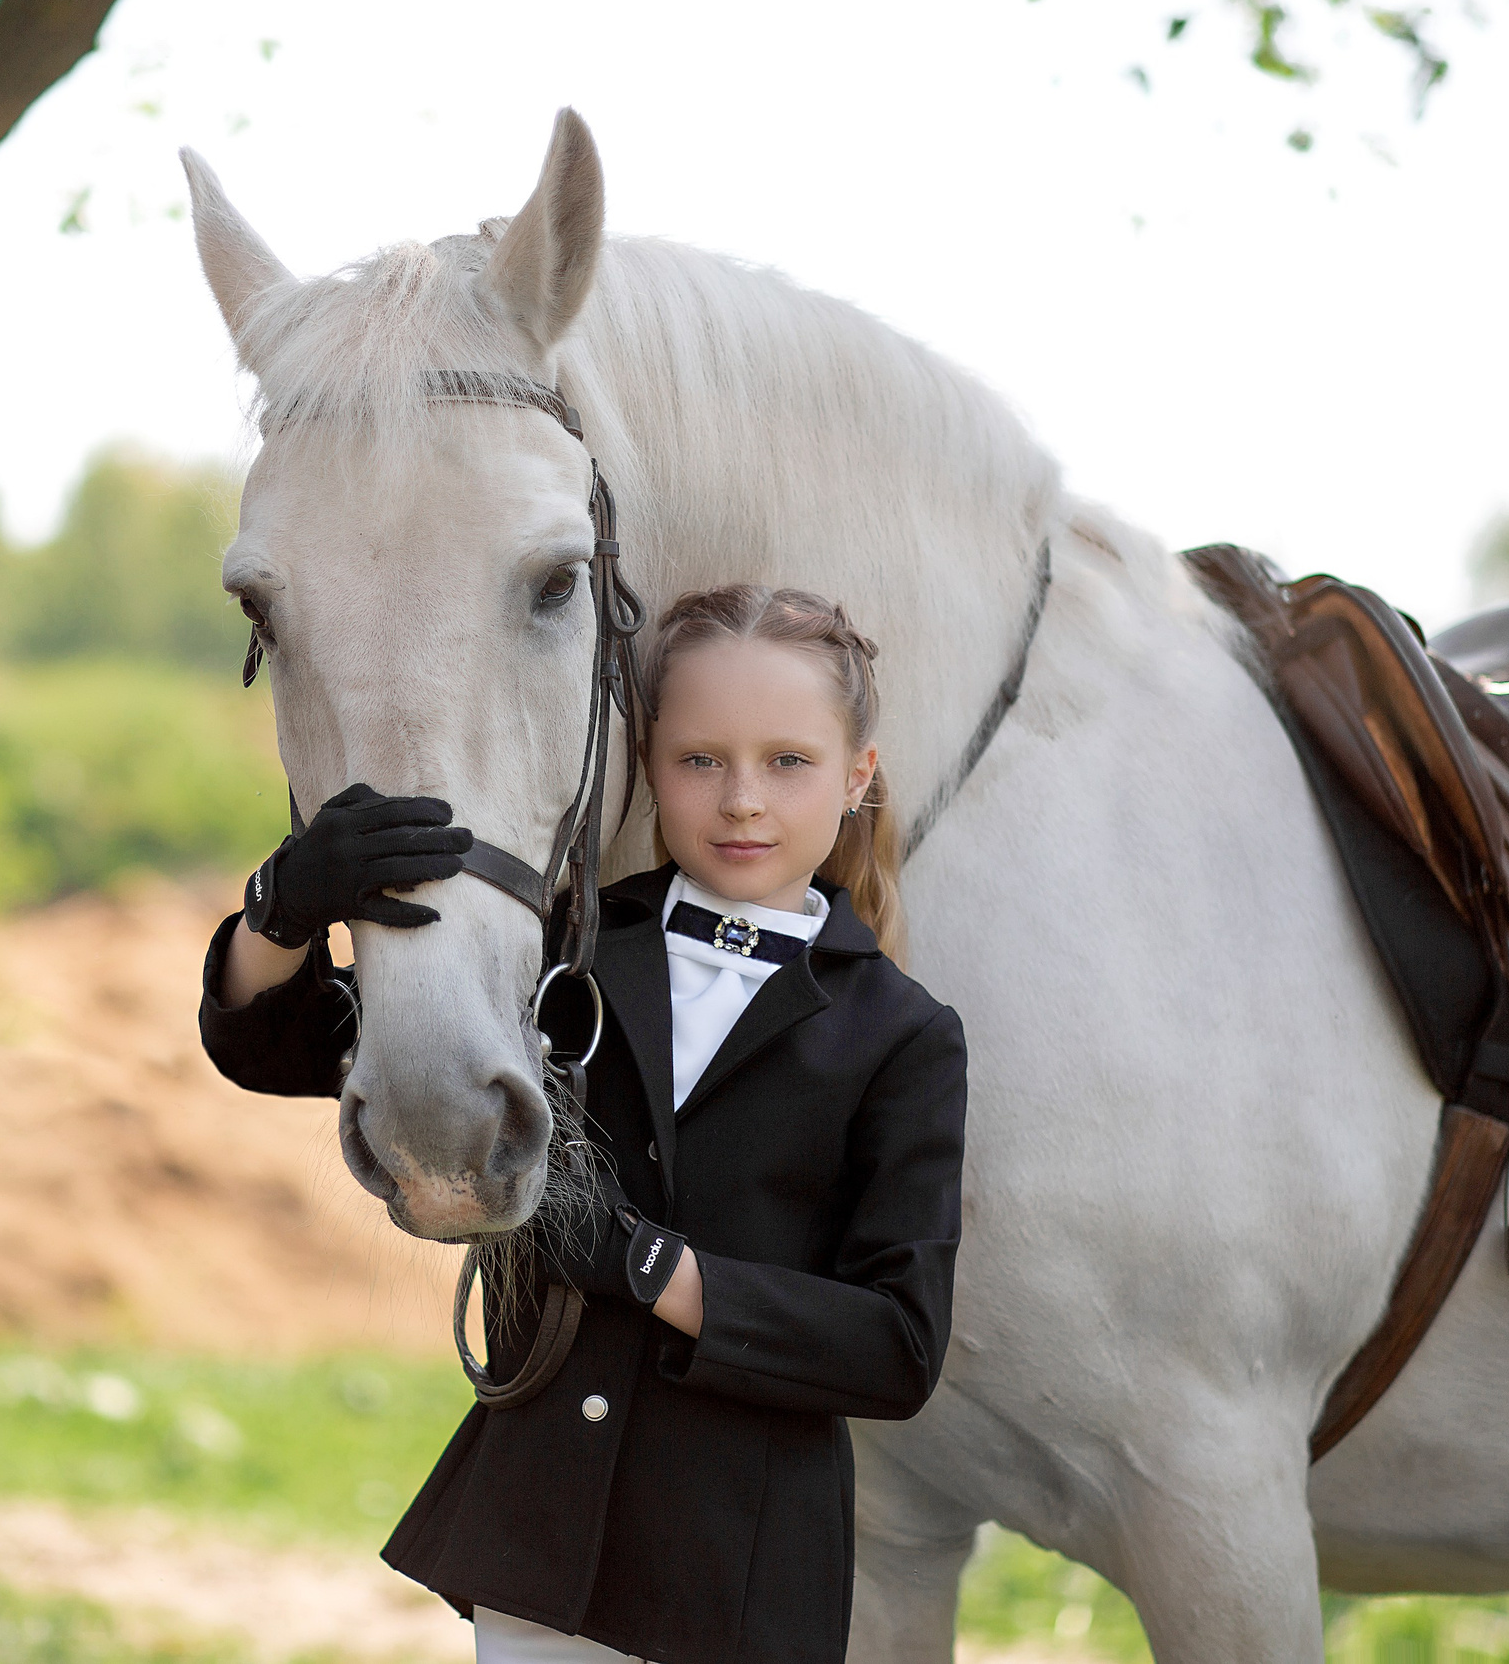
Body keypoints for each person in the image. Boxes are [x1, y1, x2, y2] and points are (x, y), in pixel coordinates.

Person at [197, 585, 968, 1664]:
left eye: (786, 761)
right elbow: (274, 1047)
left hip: (741, 1578)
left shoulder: (904, 1034)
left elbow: (895, 1345)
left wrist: (651, 1265)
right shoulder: (569, 950)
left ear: (857, 775)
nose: (742, 798)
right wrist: (281, 907)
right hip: (542, 1544)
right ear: (648, 765)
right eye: (700, 759)